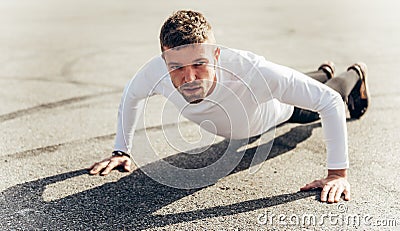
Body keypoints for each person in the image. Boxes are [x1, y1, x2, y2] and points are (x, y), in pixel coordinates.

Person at [88, 10, 369, 203]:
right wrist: (121, 150)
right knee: (299, 81)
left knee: (328, 93)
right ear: (164, 60)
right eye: (177, 67)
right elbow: (130, 97)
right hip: (245, 120)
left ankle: (354, 73)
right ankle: (322, 70)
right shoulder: (153, 72)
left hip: (276, 112)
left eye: (199, 64)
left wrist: (337, 174)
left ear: (217, 54)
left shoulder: (252, 71)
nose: (189, 78)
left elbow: (329, 103)